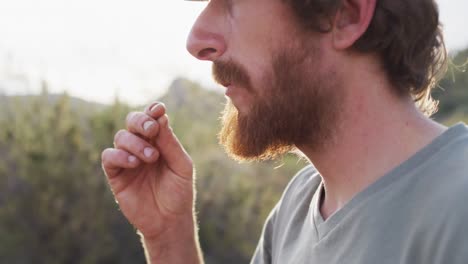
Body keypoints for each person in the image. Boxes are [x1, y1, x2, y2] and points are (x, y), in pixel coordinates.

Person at [101, 0, 468, 263]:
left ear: (346, 14)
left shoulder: (458, 209)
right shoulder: (298, 206)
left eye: (229, 3)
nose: (197, 40)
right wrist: (168, 236)